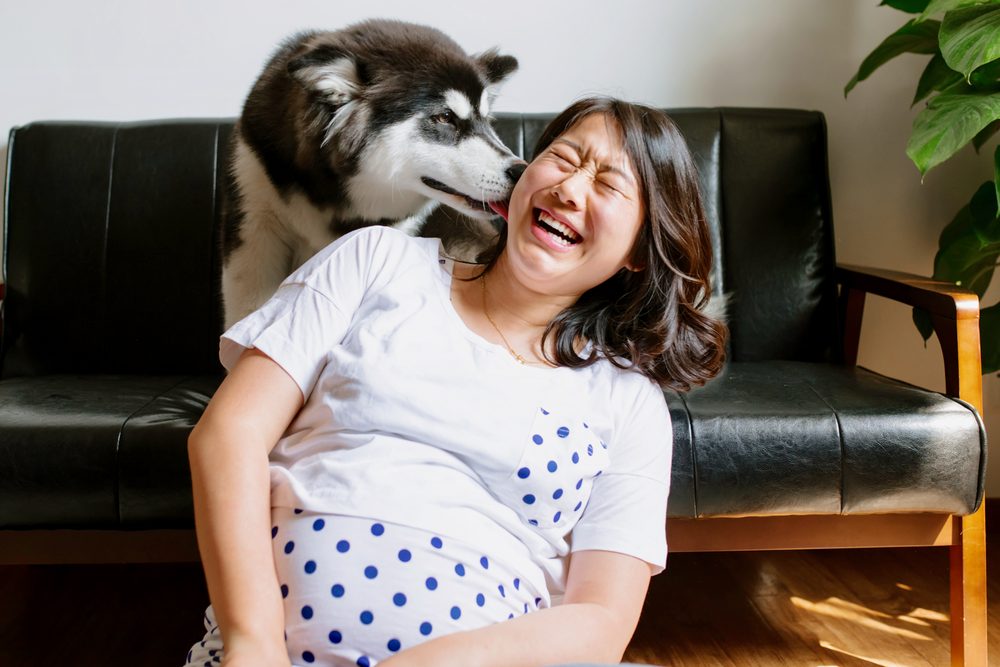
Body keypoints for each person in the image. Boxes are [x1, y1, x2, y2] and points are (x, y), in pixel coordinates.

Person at [184, 96, 727, 667]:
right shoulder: (375, 262)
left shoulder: (629, 403)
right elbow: (228, 436)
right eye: (564, 158)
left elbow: (602, 621)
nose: (570, 188)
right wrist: (255, 642)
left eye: (609, 185)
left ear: (639, 252)